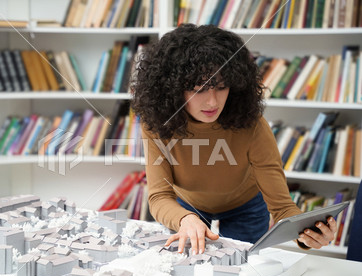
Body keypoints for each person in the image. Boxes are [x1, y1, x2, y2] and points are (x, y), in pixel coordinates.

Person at [131, 24, 337, 255]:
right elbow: (159, 196)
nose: (212, 102)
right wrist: (184, 218)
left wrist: (306, 234)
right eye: (198, 89)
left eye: (221, 87)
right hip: (186, 206)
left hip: (245, 206)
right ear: (172, 90)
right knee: (187, 271)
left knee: (243, 269)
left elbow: (282, 207)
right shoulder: (157, 124)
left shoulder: (251, 124)